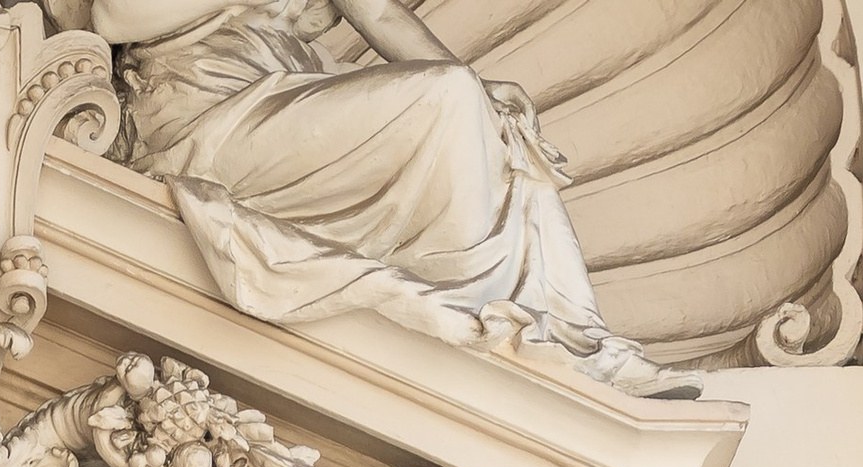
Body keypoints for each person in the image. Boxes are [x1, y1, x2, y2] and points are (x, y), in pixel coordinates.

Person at [87, 0, 697, 400]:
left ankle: (576, 341)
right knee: (450, 99)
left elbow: (380, 12)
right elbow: (114, 17)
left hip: (288, 92)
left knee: (497, 130)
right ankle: (485, 321)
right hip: (205, 114)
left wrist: (483, 90)